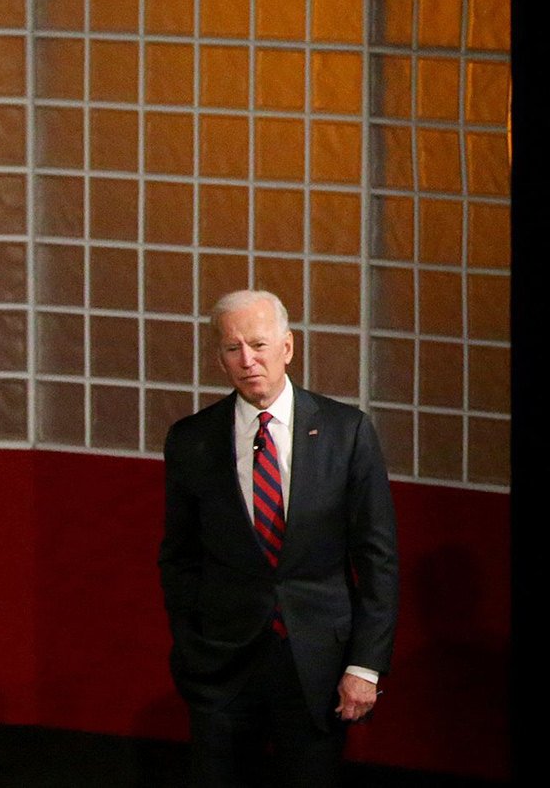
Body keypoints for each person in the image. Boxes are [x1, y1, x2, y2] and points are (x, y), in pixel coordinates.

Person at [159, 288, 400, 787]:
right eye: (233, 349)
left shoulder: (346, 431)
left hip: (317, 665)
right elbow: (179, 558)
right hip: (222, 666)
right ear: (220, 358)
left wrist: (366, 666)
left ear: (288, 347)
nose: (248, 360)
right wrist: (191, 644)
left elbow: (377, 559)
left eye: (259, 345)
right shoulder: (192, 439)